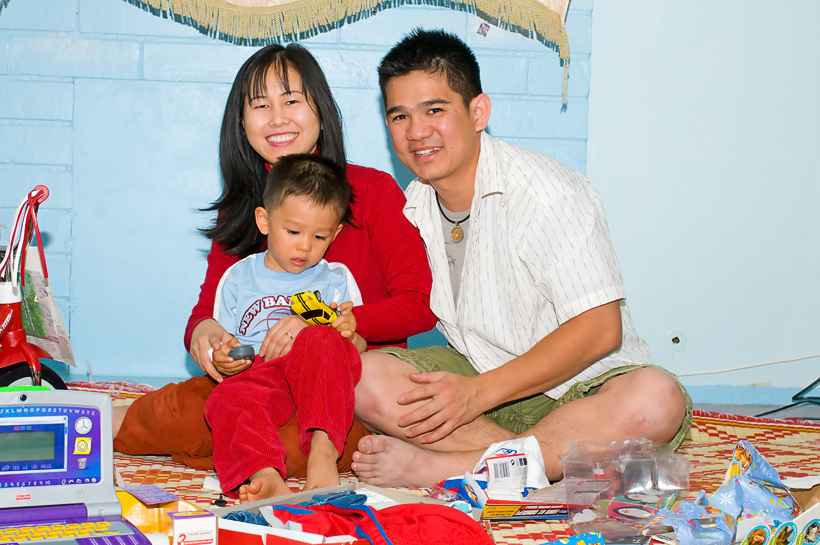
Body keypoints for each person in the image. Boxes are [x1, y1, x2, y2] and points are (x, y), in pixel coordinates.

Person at [350, 29, 692, 488]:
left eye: (435, 109)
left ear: (478, 112)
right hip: (484, 390)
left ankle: (458, 468)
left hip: (584, 388)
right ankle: (532, 467)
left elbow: (600, 329)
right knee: (362, 375)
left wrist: (479, 393)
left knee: (656, 398)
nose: (417, 132)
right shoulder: (412, 205)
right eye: (399, 116)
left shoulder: (547, 192)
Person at [112, 43, 437, 476]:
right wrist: (208, 337)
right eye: (260, 105)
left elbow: (420, 304)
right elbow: (209, 311)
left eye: (292, 101)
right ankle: (80, 421)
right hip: (260, 382)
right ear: (241, 122)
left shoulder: (371, 191)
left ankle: (246, 457)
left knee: (275, 438)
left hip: (349, 391)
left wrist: (329, 323)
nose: (277, 117)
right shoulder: (245, 207)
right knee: (186, 408)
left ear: (319, 109)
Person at [205, 154, 364, 501]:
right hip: (263, 375)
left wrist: (350, 332)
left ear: (335, 233)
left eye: (320, 236)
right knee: (227, 397)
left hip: (318, 374)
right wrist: (225, 359)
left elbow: (357, 353)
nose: (305, 246)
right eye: (292, 231)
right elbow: (225, 343)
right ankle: (265, 476)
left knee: (320, 337)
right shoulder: (237, 278)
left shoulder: (336, 280)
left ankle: (323, 456)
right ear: (264, 220)